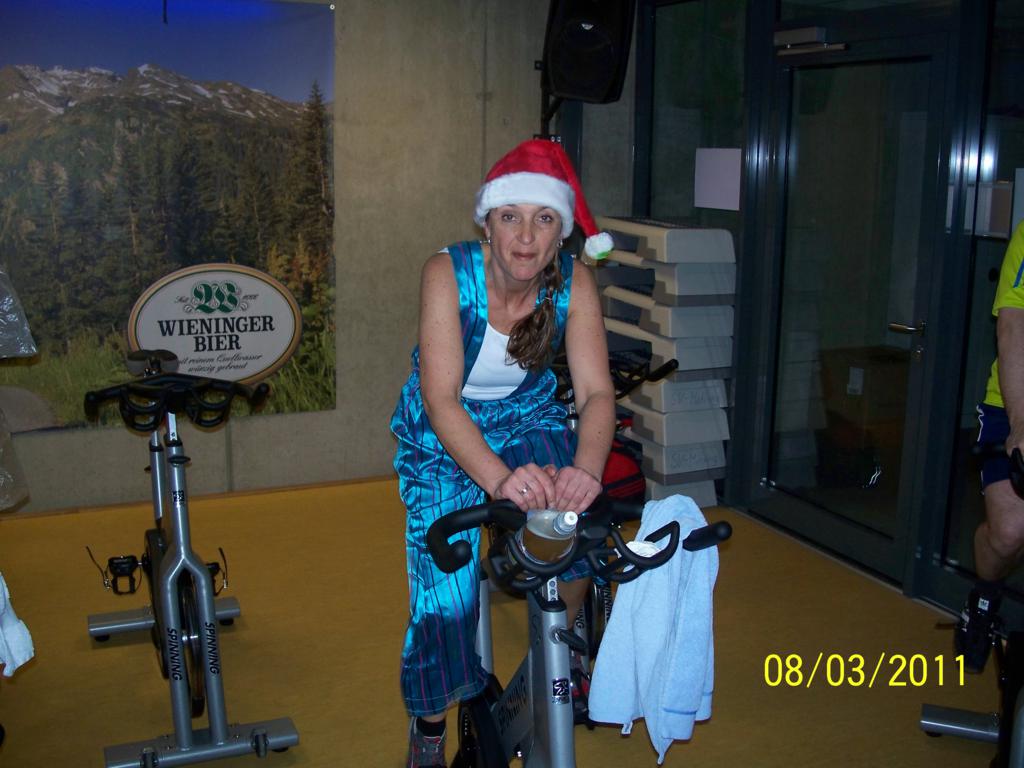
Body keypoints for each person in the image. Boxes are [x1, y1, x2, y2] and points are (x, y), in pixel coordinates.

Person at [390, 138, 616, 767]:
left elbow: (597, 392)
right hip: (442, 432)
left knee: (574, 537)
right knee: (444, 597)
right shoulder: (447, 274)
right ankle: (430, 726)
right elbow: (441, 400)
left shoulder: (574, 284)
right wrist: (497, 480)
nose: (525, 236)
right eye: (510, 217)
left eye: (543, 219)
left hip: (527, 415)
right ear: (486, 224)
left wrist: (586, 471)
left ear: (562, 232)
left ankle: (561, 654)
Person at [958, 220, 1024, 673]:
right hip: (1013, 402)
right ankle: (983, 597)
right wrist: (1020, 423)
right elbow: (1013, 325)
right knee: (1008, 532)